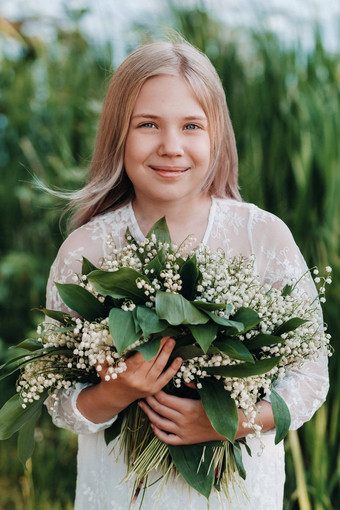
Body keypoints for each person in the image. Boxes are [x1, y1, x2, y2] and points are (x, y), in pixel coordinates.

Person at [45, 40, 329, 510]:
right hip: (123, 491)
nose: (171, 146)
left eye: (191, 125)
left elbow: (310, 379)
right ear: (119, 133)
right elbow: (58, 401)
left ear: (216, 135)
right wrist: (118, 390)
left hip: (237, 495)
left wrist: (228, 420)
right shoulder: (87, 249)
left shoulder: (262, 236)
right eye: (148, 125)